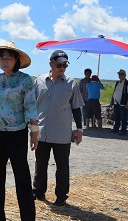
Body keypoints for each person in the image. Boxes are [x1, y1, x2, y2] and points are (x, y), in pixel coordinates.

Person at [0, 41, 38, 221]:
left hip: (17, 134)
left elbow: (30, 106)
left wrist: (34, 133)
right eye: (2, 58)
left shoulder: (25, 80)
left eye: (9, 58)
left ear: (16, 60)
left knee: (22, 176)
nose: (5, 61)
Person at [33, 50, 84, 207]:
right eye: (59, 64)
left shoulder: (71, 83)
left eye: (65, 65)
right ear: (51, 63)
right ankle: (38, 191)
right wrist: (32, 128)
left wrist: (79, 129)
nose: (62, 67)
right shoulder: (39, 81)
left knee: (62, 165)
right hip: (41, 131)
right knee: (40, 163)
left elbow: (76, 108)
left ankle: (61, 195)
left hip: (62, 132)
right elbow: (32, 106)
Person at [110, 69, 128, 135]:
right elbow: (114, 92)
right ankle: (116, 129)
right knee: (116, 117)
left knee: (123, 117)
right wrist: (112, 101)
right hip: (116, 102)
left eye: (121, 74)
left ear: (125, 75)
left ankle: (123, 131)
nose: (120, 75)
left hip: (123, 103)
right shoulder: (117, 83)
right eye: (119, 74)